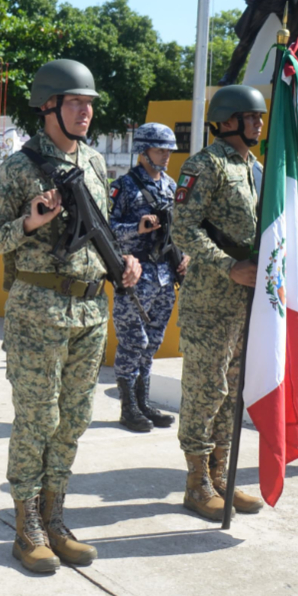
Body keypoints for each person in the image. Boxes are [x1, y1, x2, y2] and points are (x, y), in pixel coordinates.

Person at [0, 60, 141, 573]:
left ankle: (55, 516)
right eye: (74, 103)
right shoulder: (18, 169)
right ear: (49, 108)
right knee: (37, 419)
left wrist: (125, 262)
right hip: (37, 313)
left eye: (89, 104)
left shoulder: (94, 161)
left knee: (73, 419)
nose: (85, 112)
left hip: (91, 309)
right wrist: (30, 220)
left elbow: (102, 232)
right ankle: (26, 526)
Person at [168, 85, 268, 522]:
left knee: (232, 393)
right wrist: (227, 265)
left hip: (245, 303)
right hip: (209, 301)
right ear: (228, 120)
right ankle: (197, 483)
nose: (260, 125)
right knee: (205, 391)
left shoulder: (256, 169)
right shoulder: (204, 165)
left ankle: (220, 475)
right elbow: (183, 229)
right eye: (252, 117)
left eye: (261, 117)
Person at [108, 122, 187, 432]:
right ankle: (128, 408)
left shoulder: (170, 186)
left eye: (169, 150)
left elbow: (181, 229)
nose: (166, 155)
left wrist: (185, 254)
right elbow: (107, 232)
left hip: (165, 276)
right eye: (159, 150)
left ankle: (144, 402)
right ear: (143, 151)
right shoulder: (124, 187)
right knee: (133, 341)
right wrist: (136, 228)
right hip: (135, 276)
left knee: (152, 341)